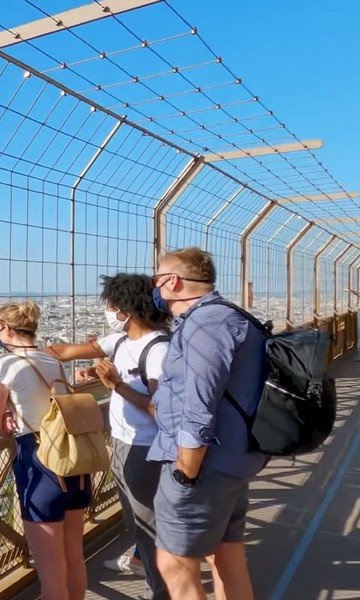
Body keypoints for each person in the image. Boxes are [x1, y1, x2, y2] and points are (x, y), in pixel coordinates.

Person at [43, 274, 171, 600]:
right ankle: (150, 573)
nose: (108, 311)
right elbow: (67, 352)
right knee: (138, 522)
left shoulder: (159, 350)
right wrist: (26, 349)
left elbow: (161, 411)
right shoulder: (121, 342)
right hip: (122, 443)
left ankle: (161, 591)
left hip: (147, 449)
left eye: (112, 305)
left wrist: (116, 386)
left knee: (150, 526)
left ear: (128, 308)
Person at [149, 247, 267, 600]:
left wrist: (187, 469)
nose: (154, 289)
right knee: (226, 555)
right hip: (231, 459)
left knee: (174, 563)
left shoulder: (205, 323)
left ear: (173, 282)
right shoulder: (229, 315)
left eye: (157, 280)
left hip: (204, 466)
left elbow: (199, 401)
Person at [0, 301, 89, 600]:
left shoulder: (7, 365)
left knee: (50, 571)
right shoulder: (52, 362)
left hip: (39, 464)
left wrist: (6, 410)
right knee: (74, 557)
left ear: (6, 329)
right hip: (73, 460)